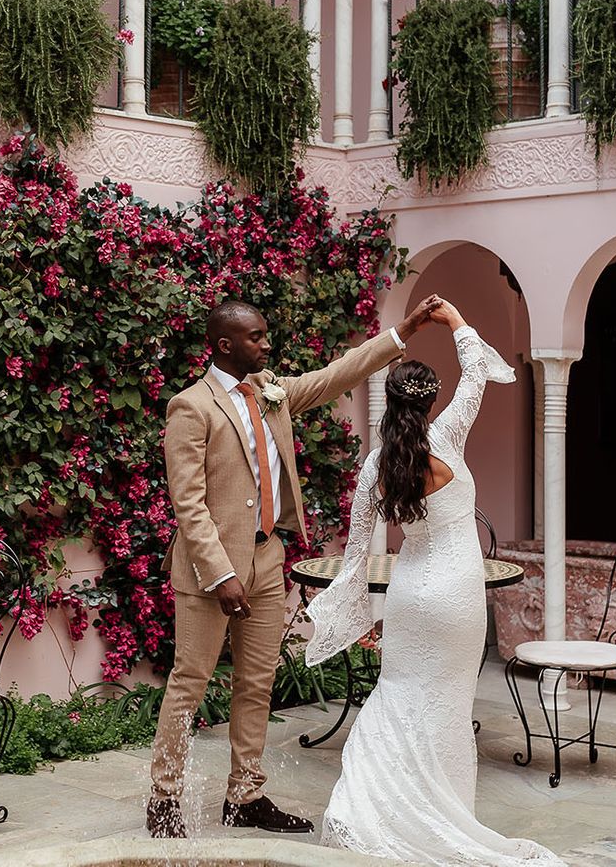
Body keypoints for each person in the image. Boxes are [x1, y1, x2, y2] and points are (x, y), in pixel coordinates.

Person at [147, 294, 444, 839]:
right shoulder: (191, 406)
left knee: (257, 684)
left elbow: (336, 375)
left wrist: (400, 332)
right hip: (209, 571)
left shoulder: (270, 393)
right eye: (256, 337)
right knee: (190, 683)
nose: (266, 344)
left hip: (266, 557)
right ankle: (164, 797)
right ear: (224, 345)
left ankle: (246, 796)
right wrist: (220, 574)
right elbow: (187, 503)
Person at [305, 298, 567, 866]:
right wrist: (452, 319)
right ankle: (446, 815)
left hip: (411, 595)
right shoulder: (449, 435)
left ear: (389, 403)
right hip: (457, 594)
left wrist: (337, 608)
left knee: (399, 698)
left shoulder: (377, 465)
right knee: (447, 709)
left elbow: (355, 553)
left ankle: (367, 812)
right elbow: (476, 372)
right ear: (430, 402)